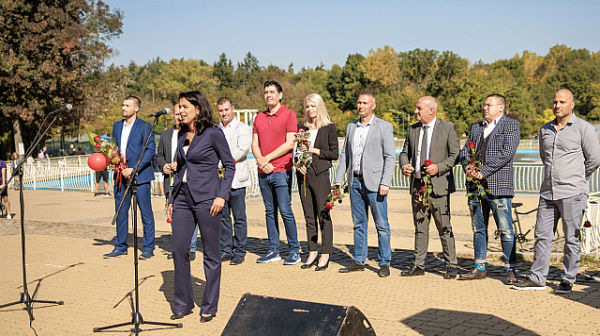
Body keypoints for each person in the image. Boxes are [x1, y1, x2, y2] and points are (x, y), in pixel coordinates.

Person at [513, 89, 600, 293]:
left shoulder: (584, 128)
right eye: (555, 102)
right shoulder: (545, 129)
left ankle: (568, 278)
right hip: (547, 193)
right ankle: (537, 278)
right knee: (542, 236)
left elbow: (594, 159)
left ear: (572, 104)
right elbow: (545, 158)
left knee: (571, 238)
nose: (557, 105)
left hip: (573, 193)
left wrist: (577, 177)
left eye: (562, 102)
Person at [166, 90, 235, 322]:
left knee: (211, 254)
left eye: (185, 106)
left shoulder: (214, 133)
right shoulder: (181, 135)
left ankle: (209, 305)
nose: (180, 111)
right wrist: (171, 199)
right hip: (183, 198)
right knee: (178, 250)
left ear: (198, 109)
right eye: (179, 107)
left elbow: (229, 166)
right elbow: (182, 169)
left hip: (208, 199)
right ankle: (183, 303)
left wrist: (222, 196)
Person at [457, 93, 520, 284]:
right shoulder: (476, 127)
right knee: (478, 229)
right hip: (475, 188)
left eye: (488, 105)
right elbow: (464, 151)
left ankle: (511, 269)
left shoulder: (510, 125)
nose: (484, 108)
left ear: (500, 107)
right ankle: (479, 267)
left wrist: (483, 171)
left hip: (498, 187)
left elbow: (507, 152)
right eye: (484, 105)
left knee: (505, 230)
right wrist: (467, 165)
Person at [334, 91, 395, 277]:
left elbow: (390, 156)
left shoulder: (384, 126)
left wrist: (385, 181)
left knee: (381, 224)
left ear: (373, 105)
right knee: (359, 224)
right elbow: (345, 154)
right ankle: (359, 260)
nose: (361, 106)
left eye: (365, 103)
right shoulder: (351, 127)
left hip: (376, 184)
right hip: (355, 183)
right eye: (359, 103)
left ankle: (384, 262)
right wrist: (338, 180)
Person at [399, 96, 459, 279]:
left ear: (431, 110)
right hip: (418, 187)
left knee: (444, 227)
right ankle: (418, 265)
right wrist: (404, 166)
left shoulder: (447, 128)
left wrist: (438, 167)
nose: (416, 112)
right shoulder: (412, 129)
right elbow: (404, 153)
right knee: (420, 226)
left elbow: (456, 155)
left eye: (419, 109)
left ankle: (451, 265)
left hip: (439, 187)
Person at [251, 80, 300, 265]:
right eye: (266, 92)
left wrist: (266, 159)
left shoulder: (289, 115)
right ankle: (273, 250)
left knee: (285, 210)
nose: (268, 95)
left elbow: (289, 143)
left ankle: (294, 250)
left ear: (280, 95)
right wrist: (261, 162)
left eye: (272, 92)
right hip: (263, 171)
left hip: (281, 171)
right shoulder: (259, 117)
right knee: (269, 211)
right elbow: (254, 144)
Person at [104, 95, 156, 260]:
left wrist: (134, 169)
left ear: (136, 108)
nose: (123, 108)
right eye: (123, 105)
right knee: (120, 212)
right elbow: (114, 149)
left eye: (127, 105)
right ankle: (120, 246)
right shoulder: (117, 126)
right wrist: (113, 162)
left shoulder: (145, 126)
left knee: (145, 213)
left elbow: (150, 151)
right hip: (120, 176)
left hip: (140, 176)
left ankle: (148, 248)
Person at [296, 93, 338, 271]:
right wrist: (297, 163)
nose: (310, 109)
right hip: (304, 176)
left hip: (321, 175)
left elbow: (334, 154)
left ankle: (325, 253)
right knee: (308, 216)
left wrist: (314, 150)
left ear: (319, 107)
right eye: (307, 106)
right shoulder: (302, 128)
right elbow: (296, 151)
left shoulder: (329, 128)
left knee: (323, 215)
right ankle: (312, 251)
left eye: (313, 106)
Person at [158, 104, 199, 260]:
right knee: (173, 212)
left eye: (181, 113)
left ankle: (191, 247)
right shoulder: (165, 134)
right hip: (170, 179)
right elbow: (159, 155)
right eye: (176, 114)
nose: (178, 116)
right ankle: (179, 246)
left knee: (190, 212)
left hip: (188, 178)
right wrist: (163, 165)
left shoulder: (192, 133)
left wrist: (180, 164)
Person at [217, 97, 252, 265]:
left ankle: (239, 250)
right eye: (221, 111)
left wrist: (221, 161)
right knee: (223, 217)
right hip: (218, 180)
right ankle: (225, 249)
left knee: (239, 217)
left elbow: (241, 150)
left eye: (226, 110)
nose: (224, 113)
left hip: (237, 179)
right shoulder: (215, 129)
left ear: (232, 109)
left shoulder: (243, 128)